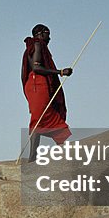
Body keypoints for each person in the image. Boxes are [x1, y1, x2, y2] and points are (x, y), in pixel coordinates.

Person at [22, 24, 73, 162]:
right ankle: (33, 158)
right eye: (47, 33)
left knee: (48, 115)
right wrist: (60, 72)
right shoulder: (37, 44)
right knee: (39, 118)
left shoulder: (35, 46)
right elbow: (36, 67)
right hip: (36, 84)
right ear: (40, 33)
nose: (49, 37)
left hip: (37, 84)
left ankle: (61, 145)